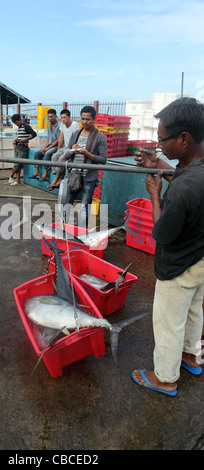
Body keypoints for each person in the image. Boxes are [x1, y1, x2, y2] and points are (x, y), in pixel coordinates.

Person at [132, 97, 204, 396]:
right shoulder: (197, 170)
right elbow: (187, 174)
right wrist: (159, 164)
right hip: (200, 260)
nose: (159, 146)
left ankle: (164, 377)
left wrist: (155, 194)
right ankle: (191, 357)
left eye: (163, 140)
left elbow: (161, 234)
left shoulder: (181, 191)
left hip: (178, 265)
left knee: (168, 323)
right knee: (193, 311)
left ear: (184, 139)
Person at [64, 105, 107, 228]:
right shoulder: (75, 133)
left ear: (94, 119)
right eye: (82, 119)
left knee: (84, 207)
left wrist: (88, 154)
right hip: (73, 175)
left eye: (87, 119)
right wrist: (72, 150)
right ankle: (63, 229)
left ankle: (80, 234)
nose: (84, 122)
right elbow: (65, 155)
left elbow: (103, 160)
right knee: (67, 204)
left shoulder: (100, 137)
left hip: (89, 177)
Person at [47, 109, 80, 190]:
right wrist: (58, 150)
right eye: (61, 117)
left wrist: (72, 149)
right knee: (54, 157)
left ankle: (56, 179)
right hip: (65, 147)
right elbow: (61, 138)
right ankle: (59, 178)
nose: (63, 119)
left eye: (64, 117)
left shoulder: (75, 125)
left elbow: (77, 139)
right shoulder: (62, 124)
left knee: (61, 159)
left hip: (72, 148)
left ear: (69, 117)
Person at [29, 108, 60, 181]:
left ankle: (46, 173)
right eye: (49, 117)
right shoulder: (49, 126)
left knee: (48, 153)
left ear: (55, 116)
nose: (50, 118)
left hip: (56, 146)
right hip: (49, 145)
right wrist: (45, 147)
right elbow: (48, 139)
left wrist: (47, 149)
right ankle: (37, 171)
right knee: (37, 152)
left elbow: (58, 140)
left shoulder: (59, 126)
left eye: (51, 116)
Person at [9, 113, 37, 186]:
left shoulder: (26, 126)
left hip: (23, 147)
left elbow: (34, 134)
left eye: (16, 122)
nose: (16, 124)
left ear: (19, 120)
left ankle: (11, 176)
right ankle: (18, 180)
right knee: (16, 164)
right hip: (18, 147)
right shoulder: (19, 128)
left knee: (17, 165)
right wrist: (15, 140)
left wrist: (25, 139)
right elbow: (19, 137)